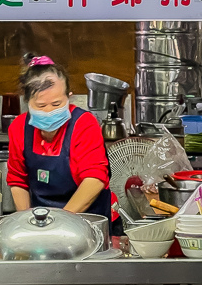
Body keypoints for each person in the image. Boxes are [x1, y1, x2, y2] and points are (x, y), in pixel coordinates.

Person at [7, 55, 119, 230]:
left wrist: (60, 224)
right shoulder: (18, 128)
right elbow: (18, 180)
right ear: (28, 102)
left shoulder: (84, 124)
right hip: (43, 224)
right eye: (41, 106)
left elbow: (95, 179)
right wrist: (28, 224)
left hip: (90, 223)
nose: (50, 111)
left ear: (69, 97)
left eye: (57, 104)